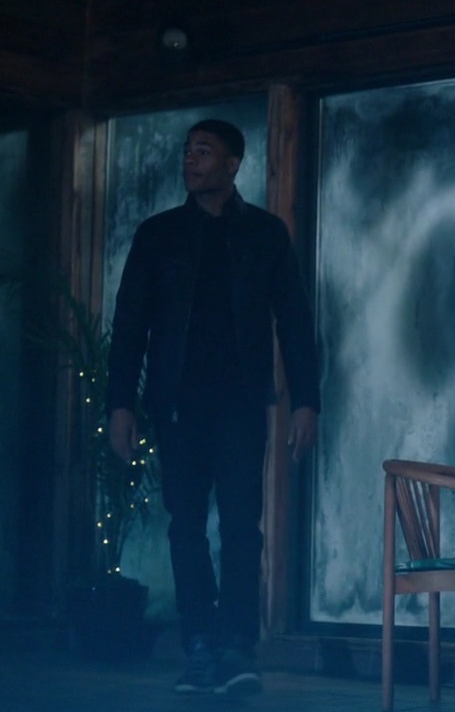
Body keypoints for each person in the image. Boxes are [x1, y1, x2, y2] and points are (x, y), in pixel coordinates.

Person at [105, 119, 320, 698]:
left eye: (203, 151)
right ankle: (199, 644)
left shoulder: (265, 234)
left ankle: (237, 647)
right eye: (187, 151)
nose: (191, 160)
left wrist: (306, 401)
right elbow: (129, 325)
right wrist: (120, 404)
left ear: (232, 163)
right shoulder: (159, 235)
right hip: (177, 404)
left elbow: (294, 320)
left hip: (242, 404)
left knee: (242, 527)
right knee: (186, 526)